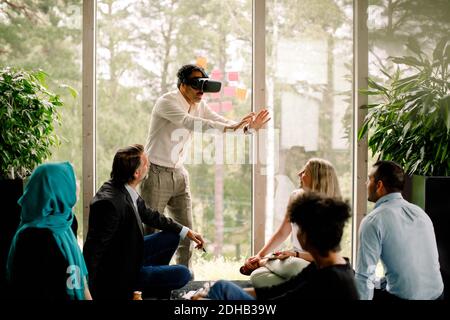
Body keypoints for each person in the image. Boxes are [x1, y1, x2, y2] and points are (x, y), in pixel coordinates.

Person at [140, 64, 270, 268]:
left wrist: (246, 129)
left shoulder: (199, 103)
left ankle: (184, 280)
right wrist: (234, 126)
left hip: (180, 173)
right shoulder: (167, 101)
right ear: (182, 85)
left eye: (204, 85)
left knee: (187, 232)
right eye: (195, 85)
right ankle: (146, 285)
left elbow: (218, 121)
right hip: (155, 172)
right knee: (151, 231)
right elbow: (190, 122)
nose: (201, 90)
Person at [83, 144, 205, 300]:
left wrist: (186, 231)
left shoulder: (124, 188)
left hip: (130, 253)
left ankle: (149, 286)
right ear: (136, 173)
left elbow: (150, 215)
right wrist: (90, 292)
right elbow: (93, 250)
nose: (150, 166)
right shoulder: (110, 204)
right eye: (146, 163)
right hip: (121, 273)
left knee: (173, 235)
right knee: (183, 274)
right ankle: (141, 285)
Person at [193, 192, 358, 300]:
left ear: (306, 235)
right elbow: (274, 291)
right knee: (220, 289)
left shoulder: (330, 279)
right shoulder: (326, 266)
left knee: (219, 289)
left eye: (297, 227)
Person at [241, 158, 341, 287]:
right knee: (257, 276)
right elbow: (283, 232)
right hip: (291, 260)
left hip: (313, 263)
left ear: (317, 178)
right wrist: (259, 254)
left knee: (294, 267)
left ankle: (265, 263)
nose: (299, 174)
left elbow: (327, 257)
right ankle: (301, 288)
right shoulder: (296, 197)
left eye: (305, 171)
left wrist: (293, 255)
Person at [355, 160, 444, 300]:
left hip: (405, 299)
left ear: (379, 185)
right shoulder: (420, 213)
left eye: (369, 179)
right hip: (438, 295)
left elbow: (365, 276)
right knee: (381, 282)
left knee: (357, 280)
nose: (366, 184)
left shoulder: (373, 221)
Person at [6, 162, 91, 300]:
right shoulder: (32, 237)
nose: (77, 184)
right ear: (57, 189)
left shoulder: (66, 222)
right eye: (72, 179)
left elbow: (81, 280)